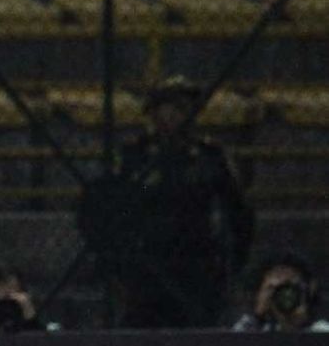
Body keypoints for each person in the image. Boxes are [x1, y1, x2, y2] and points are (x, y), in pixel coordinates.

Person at [93, 75, 253, 328]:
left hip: (196, 265)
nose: (175, 115)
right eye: (169, 107)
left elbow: (239, 213)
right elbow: (107, 210)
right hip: (145, 264)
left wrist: (230, 266)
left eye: (183, 108)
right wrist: (118, 265)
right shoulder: (134, 156)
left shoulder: (210, 156)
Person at [232, 254, 329, 332]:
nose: (284, 294)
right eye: (274, 289)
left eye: (289, 287)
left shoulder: (322, 331)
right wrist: (258, 317)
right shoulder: (250, 329)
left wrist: (298, 324)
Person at [0, 265, 47, 333]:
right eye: (2, 288)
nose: (9, 293)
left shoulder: (20, 305)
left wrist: (27, 307)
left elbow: (38, 337)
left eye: (13, 288)